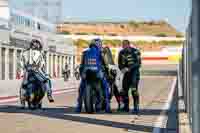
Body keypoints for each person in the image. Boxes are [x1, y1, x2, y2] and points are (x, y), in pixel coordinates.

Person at [75, 38, 111, 113]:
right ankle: (108, 106)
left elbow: (81, 65)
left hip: (87, 74)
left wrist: (82, 74)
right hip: (98, 73)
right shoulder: (100, 52)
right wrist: (108, 73)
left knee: (81, 88)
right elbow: (105, 64)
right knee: (106, 87)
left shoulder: (85, 52)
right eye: (100, 44)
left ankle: (79, 106)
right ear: (98, 45)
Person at [20, 39, 54, 108]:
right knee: (47, 80)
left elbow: (21, 63)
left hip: (27, 71)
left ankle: (22, 103)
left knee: (23, 85)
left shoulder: (24, 52)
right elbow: (42, 64)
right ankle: (49, 94)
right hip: (37, 71)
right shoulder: (40, 53)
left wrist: (23, 71)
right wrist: (44, 72)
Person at [118, 40, 141, 113]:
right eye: (122, 45)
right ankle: (126, 107)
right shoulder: (121, 52)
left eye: (125, 45)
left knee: (134, 90)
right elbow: (119, 63)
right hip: (126, 74)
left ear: (128, 45)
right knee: (124, 90)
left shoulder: (135, 51)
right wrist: (122, 69)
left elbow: (138, 63)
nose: (123, 46)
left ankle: (136, 107)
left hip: (134, 73)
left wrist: (129, 68)